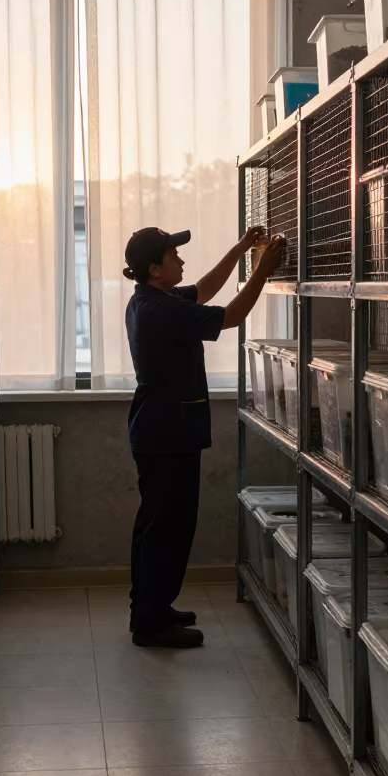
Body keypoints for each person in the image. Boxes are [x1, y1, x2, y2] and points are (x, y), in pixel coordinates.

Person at [124, 224, 285, 647]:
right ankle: (152, 623)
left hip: (162, 431)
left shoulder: (152, 298)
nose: (181, 259)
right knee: (168, 528)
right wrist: (262, 271)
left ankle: (150, 607)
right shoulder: (161, 311)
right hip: (167, 435)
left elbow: (206, 289)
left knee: (156, 525)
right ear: (155, 268)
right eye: (173, 255)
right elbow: (232, 316)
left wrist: (240, 248)